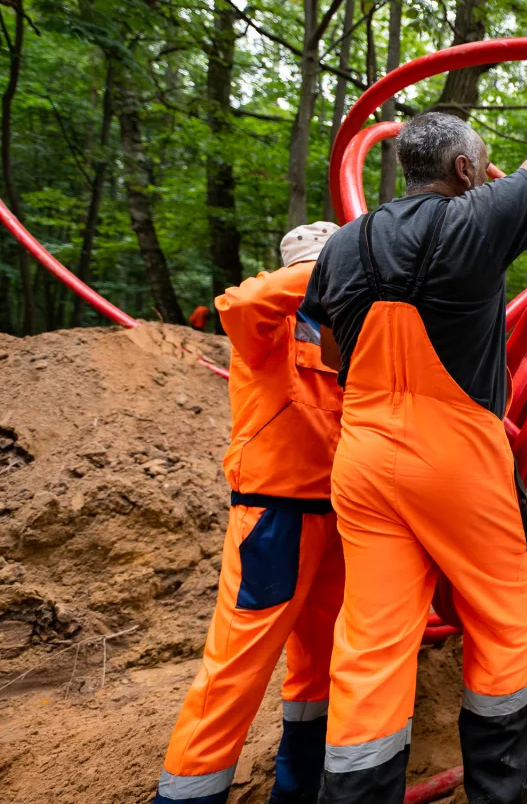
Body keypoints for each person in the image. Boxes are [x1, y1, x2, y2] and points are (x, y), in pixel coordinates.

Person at [299, 31, 527, 804]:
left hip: (366, 459)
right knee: (502, 624)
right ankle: (501, 794)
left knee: (372, 643)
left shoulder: (344, 246)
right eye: (481, 164)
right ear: (468, 169)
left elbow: (333, 354)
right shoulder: (477, 220)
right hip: (459, 459)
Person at [156, 222, 345, 804]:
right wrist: (342, 264)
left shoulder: (341, 332)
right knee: (238, 663)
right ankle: (188, 796)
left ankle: (298, 788)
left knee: (321, 661)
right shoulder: (264, 323)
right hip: (274, 518)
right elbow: (243, 301)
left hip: (340, 518)